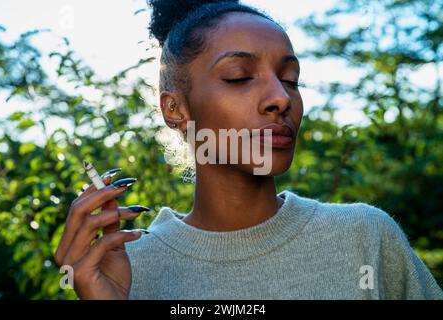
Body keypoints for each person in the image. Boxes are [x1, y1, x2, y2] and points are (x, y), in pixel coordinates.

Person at [54, 0, 443, 300]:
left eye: (291, 80)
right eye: (239, 77)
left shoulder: (365, 237)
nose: (280, 98)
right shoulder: (126, 268)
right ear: (175, 109)